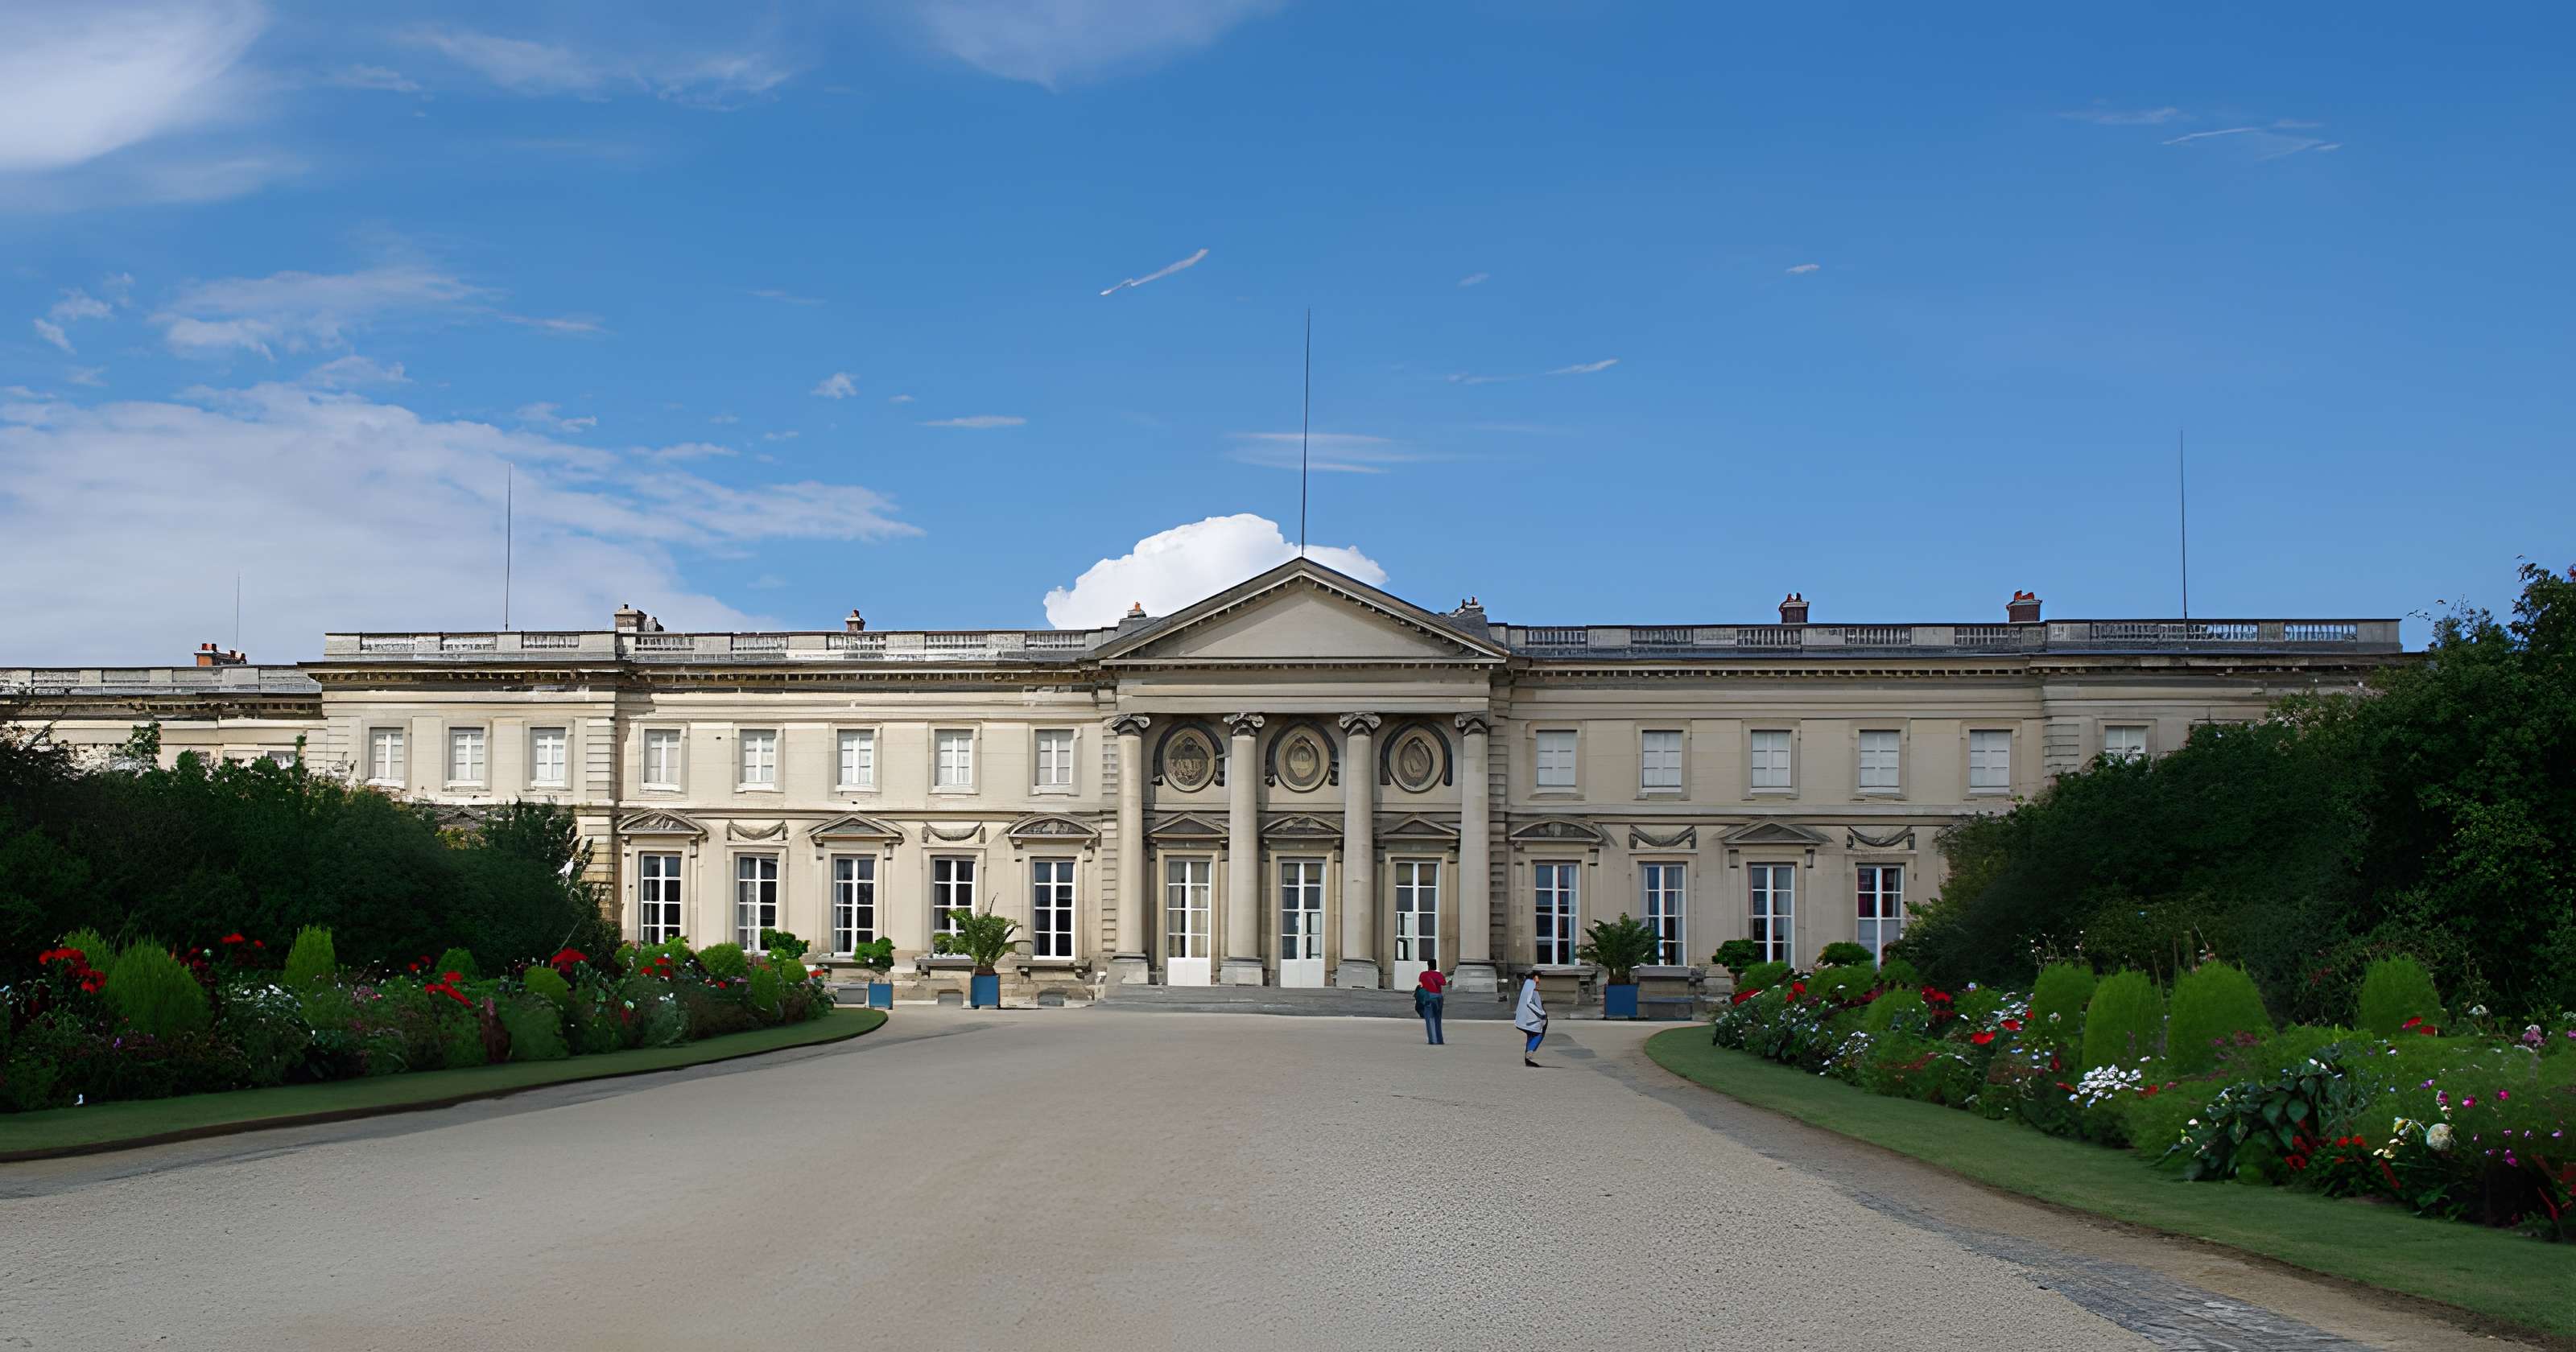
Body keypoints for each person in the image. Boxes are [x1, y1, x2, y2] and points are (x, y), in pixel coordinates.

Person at [1513, 969, 1549, 1066]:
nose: (1539, 980)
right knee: (1538, 1034)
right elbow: (1531, 1003)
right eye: (1538, 977)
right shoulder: (1533, 989)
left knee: (1531, 1035)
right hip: (1534, 1018)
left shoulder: (1527, 987)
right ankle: (1529, 1052)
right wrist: (1542, 1013)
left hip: (1525, 1019)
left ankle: (1527, 1059)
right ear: (1535, 977)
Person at [1414, 967, 1447, 1045]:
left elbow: (1421, 985)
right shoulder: (1439, 974)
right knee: (1438, 1019)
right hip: (1439, 997)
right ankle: (1440, 1040)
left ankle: (1433, 1040)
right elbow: (1444, 983)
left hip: (1429, 997)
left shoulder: (1423, 974)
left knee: (1430, 1018)